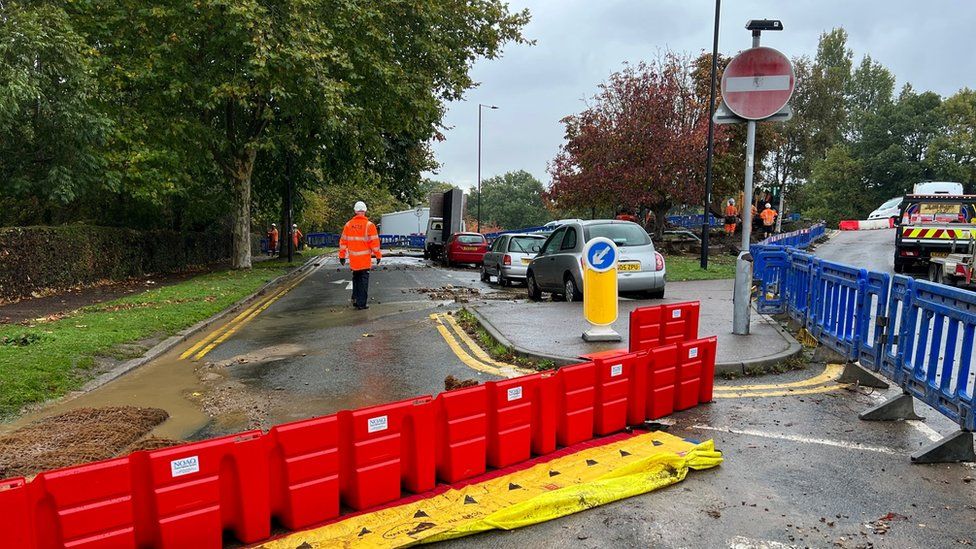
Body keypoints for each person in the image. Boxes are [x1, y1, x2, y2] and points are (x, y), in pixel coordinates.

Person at [339, 201, 382, 310]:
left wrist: (342, 256)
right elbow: (375, 243)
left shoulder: (348, 225)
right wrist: (378, 255)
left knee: (356, 278)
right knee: (363, 281)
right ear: (365, 211)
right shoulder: (369, 225)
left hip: (354, 259)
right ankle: (361, 303)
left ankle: (355, 299)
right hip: (364, 260)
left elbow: (343, 242)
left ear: (355, 211)